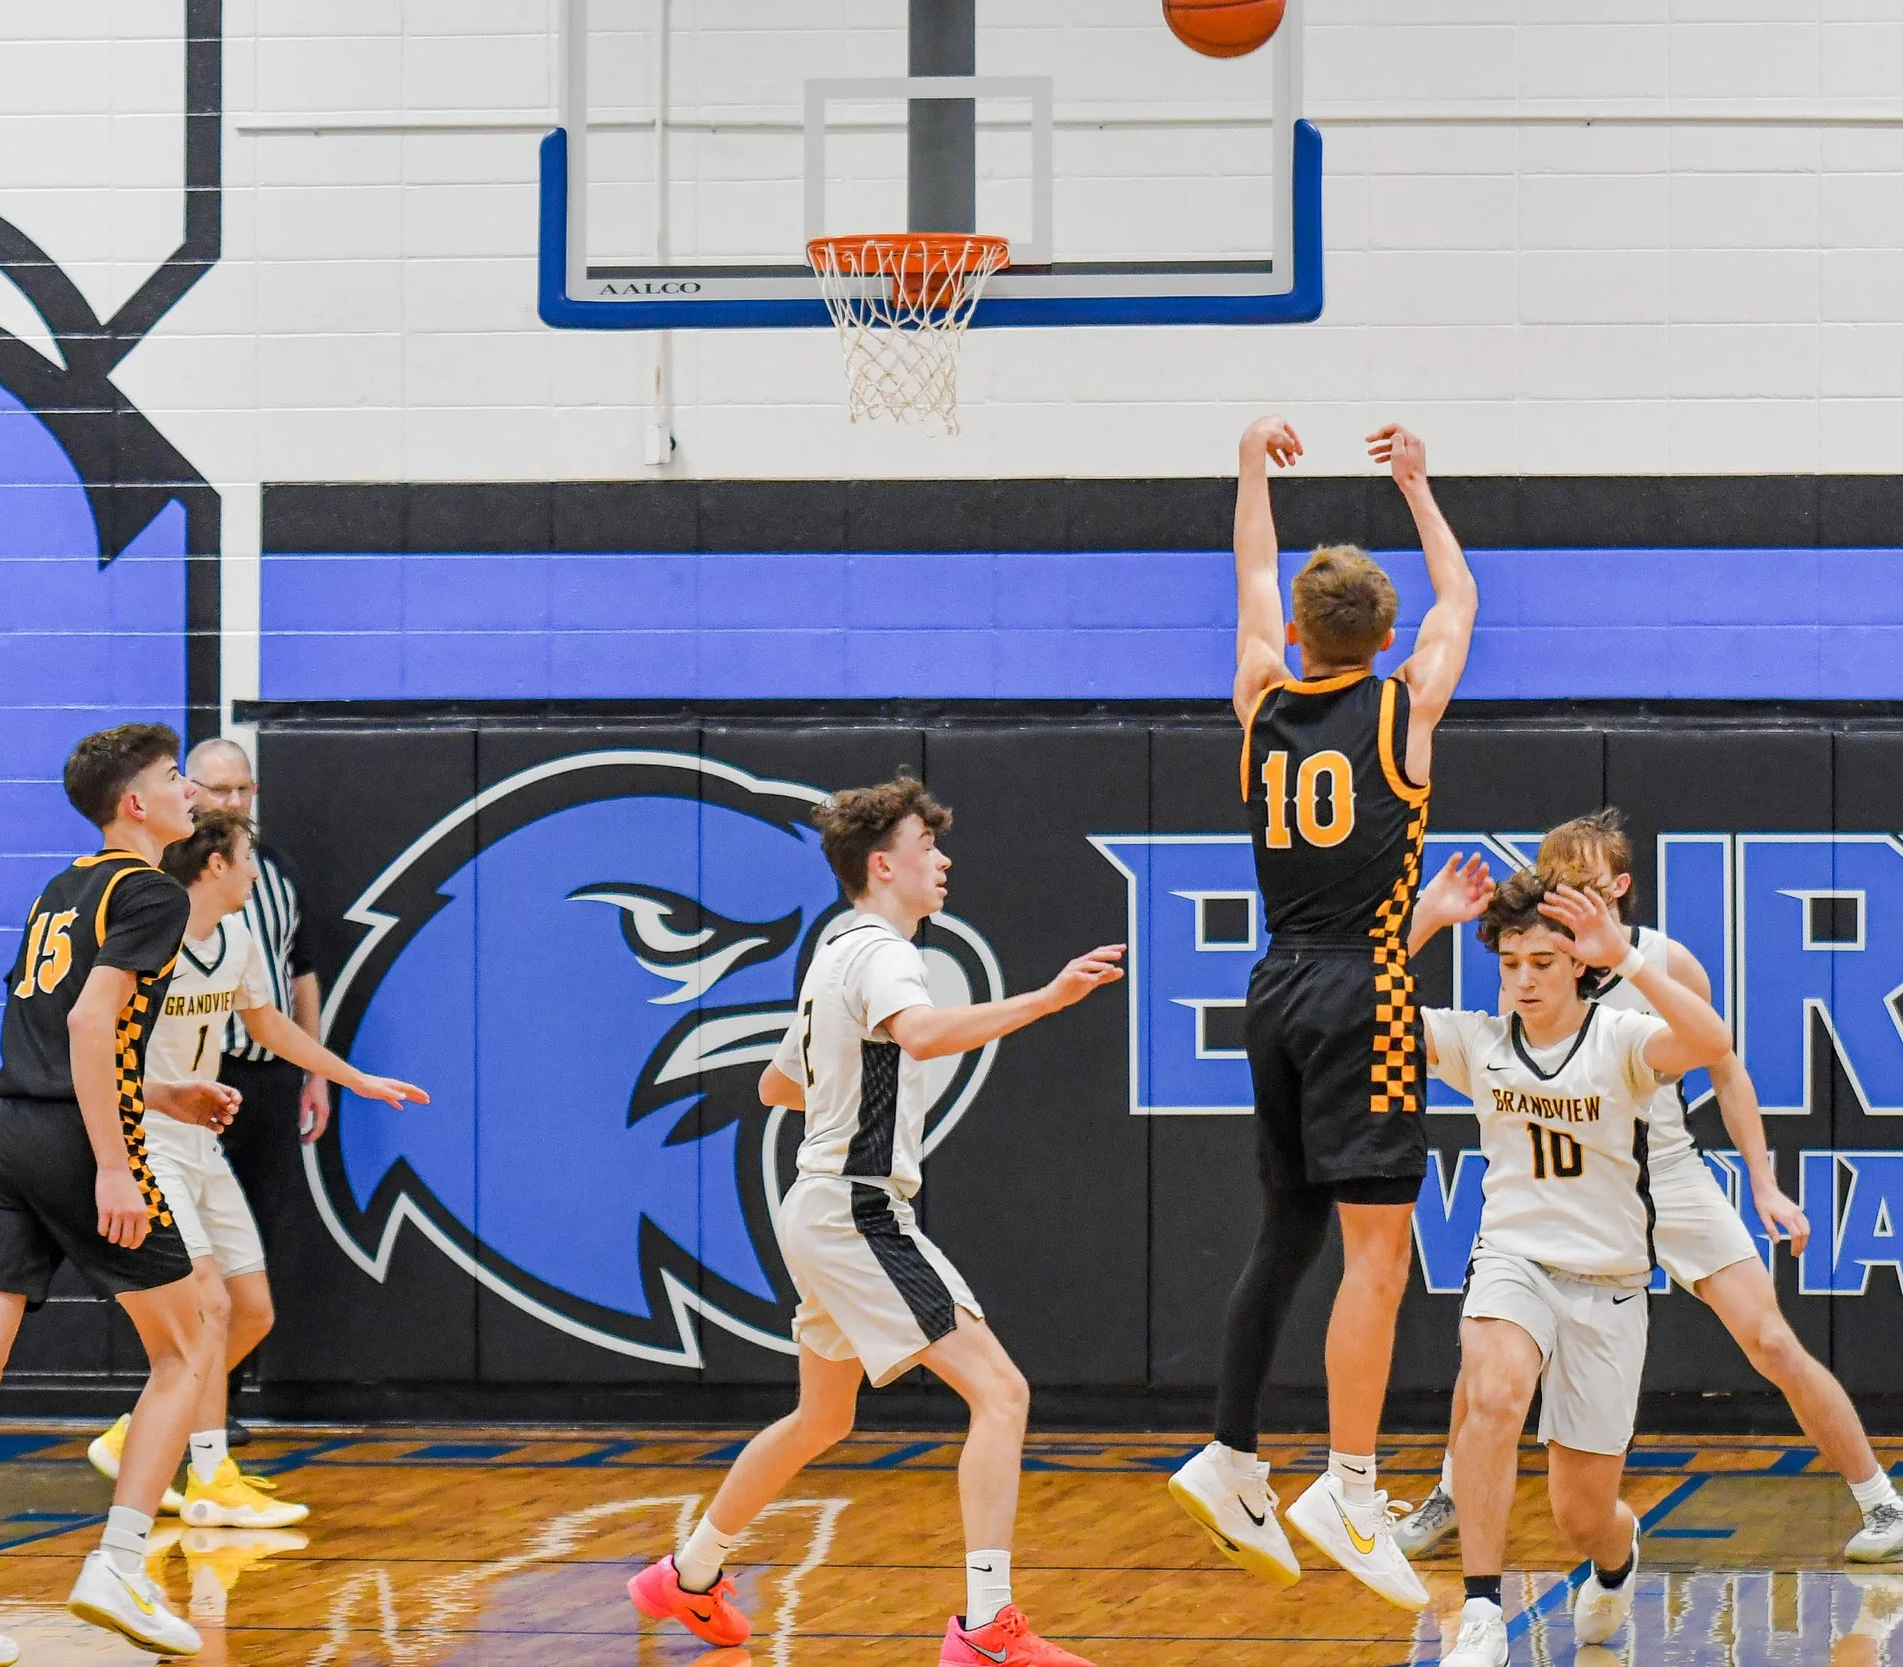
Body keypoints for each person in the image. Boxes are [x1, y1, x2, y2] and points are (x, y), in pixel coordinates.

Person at [626, 777, 1125, 1667]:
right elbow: (924, 1035)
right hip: (855, 1206)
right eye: (925, 846)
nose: (943, 859)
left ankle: (689, 1574)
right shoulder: (890, 954)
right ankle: (986, 1631)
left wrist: (852, 1082)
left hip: (815, 1204)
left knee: (823, 1419)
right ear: (881, 865)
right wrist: (1046, 999)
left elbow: (777, 1085)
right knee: (1002, 1393)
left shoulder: (832, 953)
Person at [1395, 810, 1903, 1566]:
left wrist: (1765, 1184)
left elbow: (1724, 1062)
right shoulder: (1534, 965)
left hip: (1663, 1170)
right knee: (1493, 1347)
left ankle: (1881, 1498)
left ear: (1618, 887)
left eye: (1582, 884)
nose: (1566, 897)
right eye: (1554, 883)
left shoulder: (1662, 961)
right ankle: (1455, 1490)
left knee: (1770, 1338)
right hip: (1567, 1178)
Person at [1167, 416, 1478, 1613]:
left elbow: (1252, 574)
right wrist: (1417, 485)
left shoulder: (1259, 695)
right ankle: (1349, 1486)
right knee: (1380, 1253)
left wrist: (1247, 466)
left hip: (1277, 981)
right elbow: (1460, 594)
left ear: (1297, 635)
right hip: (1365, 983)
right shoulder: (1406, 709)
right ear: (1386, 636)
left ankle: (1232, 1450)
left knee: (1287, 1229)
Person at [82, 809, 427, 1530]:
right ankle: (211, 1477)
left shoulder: (236, 937)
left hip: (201, 1143)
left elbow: (269, 1025)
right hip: (149, 1134)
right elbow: (90, 1040)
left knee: (253, 1310)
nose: (255, 872)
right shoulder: (152, 935)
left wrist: (354, 1077)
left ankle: (134, 1429)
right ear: (215, 865)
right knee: (206, 1303)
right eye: (246, 858)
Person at [1423, 874, 1735, 1666]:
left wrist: (1628, 955)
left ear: (1576, 966)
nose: (1524, 980)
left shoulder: (1621, 1039)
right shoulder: (1479, 1042)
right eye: (1511, 964)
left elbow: (1712, 1042)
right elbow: (1354, 1011)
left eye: (1543, 963)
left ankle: (1617, 1553)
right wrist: (1423, 923)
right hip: (1514, 1258)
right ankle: (1484, 1611)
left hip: (1608, 1285)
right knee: (1491, 1394)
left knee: (1581, 1513)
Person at [0, 724, 218, 1658]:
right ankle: (117, 1563)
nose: (188, 789)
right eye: (172, 777)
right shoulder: (152, 891)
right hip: (75, 1142)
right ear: (135, 804)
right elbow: (87, 1020)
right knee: (190, 1348)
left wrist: (167, 1090)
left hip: (3, 1136)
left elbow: (50, 1040)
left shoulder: (62, 887)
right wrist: (114, 1160)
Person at [183, 738, 322, 1446]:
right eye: (220, 790)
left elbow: (296, 978)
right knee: (192, 1268)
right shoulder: (161, 888)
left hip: (266, 1078)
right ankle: (179, 1405)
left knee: (253, 1258)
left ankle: (214, 1405)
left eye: (243, 789)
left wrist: (322, 1071)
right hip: (188, 1085)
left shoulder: (276, 874)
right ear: (191, 791)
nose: (233, 802)